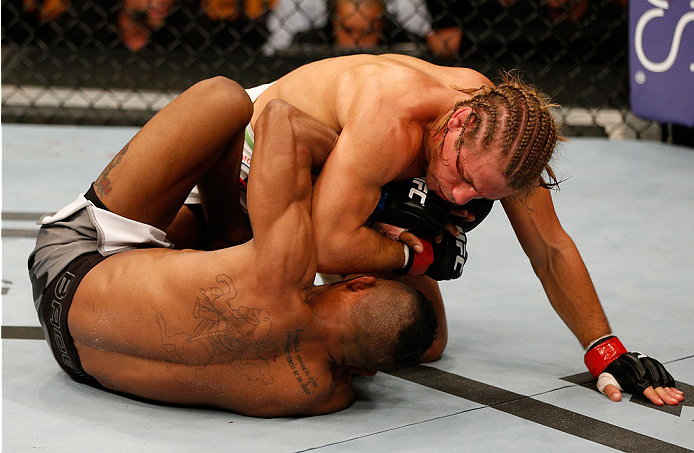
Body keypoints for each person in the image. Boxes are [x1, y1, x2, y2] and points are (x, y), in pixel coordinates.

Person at [174, 53, 683, 407]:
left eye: (480, 194)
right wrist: (416, 256)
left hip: (341, 180)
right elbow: (329, 245)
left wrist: (606, 350)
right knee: (259, 308)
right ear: (458, 123)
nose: (461, 198)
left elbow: (549, 248)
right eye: (461, 177)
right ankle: (186, 232)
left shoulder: (506, 143)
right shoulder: (392, 119)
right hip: (260, 147)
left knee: (423, 338)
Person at [27, 77, 438, 417]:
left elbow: (281, 121)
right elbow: (428, 341)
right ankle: (225, 235)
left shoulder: (285, 265)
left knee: (226, 100)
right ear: (364, 371)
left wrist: (372, 191)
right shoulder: (319, 394)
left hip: (68, 261)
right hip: (76, 358)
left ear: (359, 282)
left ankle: (226, 231)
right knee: (237, 240)